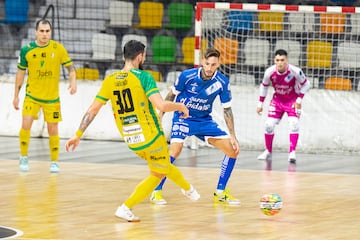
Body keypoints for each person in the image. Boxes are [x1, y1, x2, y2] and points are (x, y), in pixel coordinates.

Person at [65, 40, 200, 222]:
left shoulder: (110, 80)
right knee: (157, 174)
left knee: (163, 164)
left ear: (123, 56)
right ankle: (126, 207)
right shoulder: (144, 77)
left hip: (131, 139)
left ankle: (188, 189)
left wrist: (77, 135)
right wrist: (180, 106)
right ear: (140, 57)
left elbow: (92, 110)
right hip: (151, 136)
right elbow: (161, 105)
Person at [150, 48, 241, 205]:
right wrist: (160, 116)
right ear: (202, 62)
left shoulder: (222, 82)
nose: (209, 68)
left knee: (232, 150)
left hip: (204, 120)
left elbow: (227, 109)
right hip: (183, 118)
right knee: (175, 151)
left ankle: (220, 192)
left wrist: (233, 135)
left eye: (213, 65)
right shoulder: (187, 76)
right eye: (206, 64)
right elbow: (171, 95)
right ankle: (156, 191)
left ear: (218, 64)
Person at [13, 18, 77, 173]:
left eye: (47, 31)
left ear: (50, 32)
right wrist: (16, 95)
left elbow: (71, 68)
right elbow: (20, 74)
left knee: (53, 130)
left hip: (52, 99)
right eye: (41, 31)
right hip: (32, 96)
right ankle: (23, 157)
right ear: (36, 32)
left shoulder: (58, 48)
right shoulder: (26, 50)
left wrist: (73, 82)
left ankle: (54, 162)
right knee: (26, 124)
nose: (44, 34)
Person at [256, 49, 311, 172]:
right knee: (268, 125)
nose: (280, 63)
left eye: (282, 60)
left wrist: (299, 100)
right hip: (277, 101)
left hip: (292, 100)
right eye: (277, 60)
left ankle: (292, 153)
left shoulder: (295, 71)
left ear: (286, 61)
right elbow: (264, 86)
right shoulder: (269, 72)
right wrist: (260, 104)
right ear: (274, 61)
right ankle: (268, 151)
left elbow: (307, 84)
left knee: (294, 124)